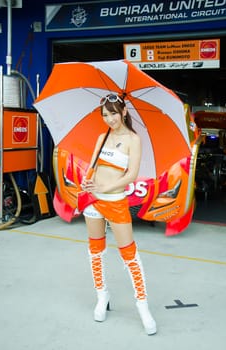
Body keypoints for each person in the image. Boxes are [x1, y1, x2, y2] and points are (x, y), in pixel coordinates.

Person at [81, 93, 157, 335]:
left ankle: (142, 306)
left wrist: (105, 187)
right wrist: (87, 180)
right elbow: (91, 167)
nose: (110, 119)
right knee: (95, 252)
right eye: (105, 115)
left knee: (130, 256)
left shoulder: (134, 140)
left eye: (114, 113)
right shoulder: (101, 137)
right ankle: (102, 296)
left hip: (115, 201)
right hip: (93, 201)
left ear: (124, 112)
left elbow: (131, 175)